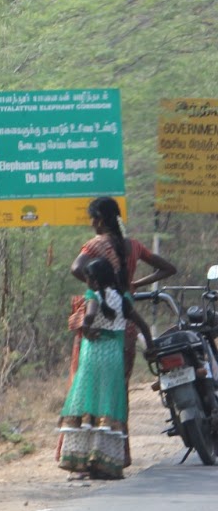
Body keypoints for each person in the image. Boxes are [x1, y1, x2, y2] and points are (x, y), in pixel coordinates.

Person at [57, 257, 153, 480]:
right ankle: (105, 463)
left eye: (89, 278)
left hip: (93, 356)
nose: (87, 282)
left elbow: (90, 314)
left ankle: (81, 462)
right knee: (108, 406)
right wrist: (151, 347)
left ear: (96, 280)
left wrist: (86, 328)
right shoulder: (123, 298)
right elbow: (143, 325)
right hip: (113, 359)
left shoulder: (93, 296)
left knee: (86, 403)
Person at [69, 195, 176, 374]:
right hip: (125, 321)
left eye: (92, 218)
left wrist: (99, 288)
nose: (91, 223)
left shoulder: (94, 245)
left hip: (100, 325)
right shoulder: (134, 246)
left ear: (100, 220)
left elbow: (76, 268)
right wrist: (134, 285)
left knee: (91, 381)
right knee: (120, 381)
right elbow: (168, 269)